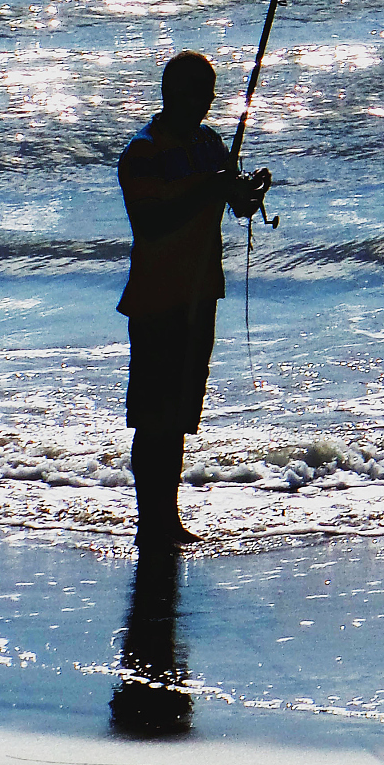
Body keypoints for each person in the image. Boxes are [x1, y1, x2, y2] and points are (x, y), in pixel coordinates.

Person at [116, 50, 270, 550]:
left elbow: (234, 203)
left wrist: (247, 193)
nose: (205, 105)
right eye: (197, 94)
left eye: (209, 95)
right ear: (171, 94)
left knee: (179, 417)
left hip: (201, 294)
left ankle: (170, 517)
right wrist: (211, 186)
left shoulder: (209, 143)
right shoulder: (143, 152)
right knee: (152, 418)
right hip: (157, 298)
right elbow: (152, 221)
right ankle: (149, 521)